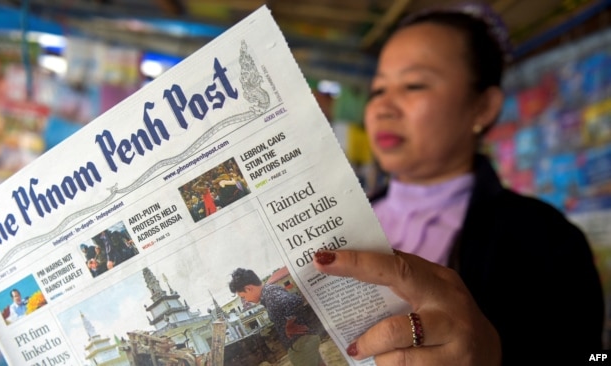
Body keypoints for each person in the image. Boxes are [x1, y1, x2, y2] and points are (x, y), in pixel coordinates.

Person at [314, 3, 604, 365]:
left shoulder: (546, 239)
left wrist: (493, 353)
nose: (383, 108)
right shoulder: (345, 219)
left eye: (414, 85)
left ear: (482, 107)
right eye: (378, 90)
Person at [228, 268, 326, 366]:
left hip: (300, 344)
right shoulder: (270, 291)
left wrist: (290, 323)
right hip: (304, 341)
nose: (246, 300)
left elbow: (294, 302)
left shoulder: (270, 295)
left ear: (249, 288)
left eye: (243, 297)